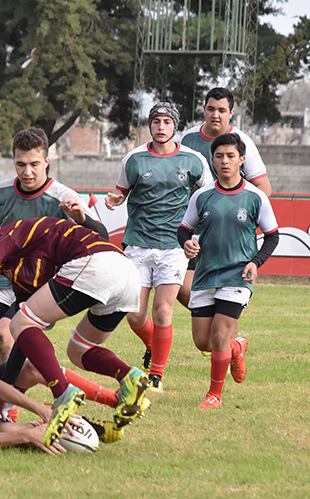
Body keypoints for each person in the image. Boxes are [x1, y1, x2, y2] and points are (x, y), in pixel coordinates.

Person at [0, 208, 148, 447]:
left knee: (23, 323)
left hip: (96, 263)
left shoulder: (2, 238)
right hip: (127, 273)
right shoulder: (20, 266)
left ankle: (63, 393)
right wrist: (3, 393)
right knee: (79, 349)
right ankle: (128, 376)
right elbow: (22, 339)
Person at [0, 127, 107, 366]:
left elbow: (101, 238)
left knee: (3, 337)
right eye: (20, 164)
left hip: (36, 289)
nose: (27, 172)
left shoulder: (64, 197)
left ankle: (8, 401)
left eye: (34, 164)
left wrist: (83, 219)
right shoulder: (1, 193)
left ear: (46, 162)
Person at [105, 102, 212, 392]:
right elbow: (121, 193)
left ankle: (156, 375)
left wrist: (198, 236)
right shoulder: (134, 159)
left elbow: (208, 199)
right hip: (138, 245)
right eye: (156, 122)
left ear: (175, 125)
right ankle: (154, 345)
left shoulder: (194, 160)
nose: (161, 127)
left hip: (174, 246)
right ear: (150, 125)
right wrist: (114, 200)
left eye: (166, 122)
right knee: (135, 314)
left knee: (163, 311)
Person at [178, 133, 279, 409]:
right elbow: (184, 229)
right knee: (203, 341)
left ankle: (214, 395)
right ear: (213, 160)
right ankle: (237, 347)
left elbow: (272, 236)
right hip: (205, 275)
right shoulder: (202, 195)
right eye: (220, 156)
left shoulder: (256, 197)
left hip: (237, 276)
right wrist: (186, 244)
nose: (225, 161)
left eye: (231, 156)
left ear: (242, 160)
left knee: (220, 334)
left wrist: (254, 263)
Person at [179, 87, 272, 309]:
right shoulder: (187, 138)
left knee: (227, 296)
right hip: (193, 230)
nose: (215, 115)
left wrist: (240, 214)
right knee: (180, 286)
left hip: (226, 233)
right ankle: (226, 339)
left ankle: (225, 336)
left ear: (231, 112)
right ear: (204, 110)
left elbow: (263, 187)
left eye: (222, 110)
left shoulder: (243, 141)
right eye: (211, 109)